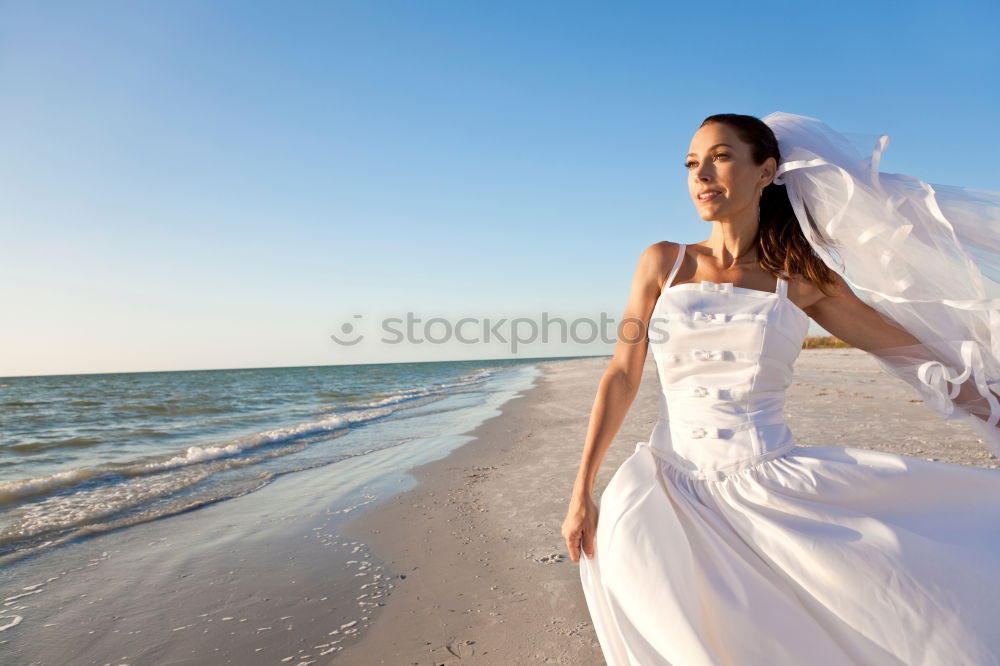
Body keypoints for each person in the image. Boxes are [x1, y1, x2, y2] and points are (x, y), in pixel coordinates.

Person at [562, 112, 1000, 665]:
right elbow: (621, 374)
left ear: (765, 170)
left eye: (720, 157)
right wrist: (582, 492)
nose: (702, 175)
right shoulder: (662, 264)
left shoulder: (801, 278)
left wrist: (988, 405)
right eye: (692, 164)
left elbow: (899, 346)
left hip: (770, 487)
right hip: (664, 488)